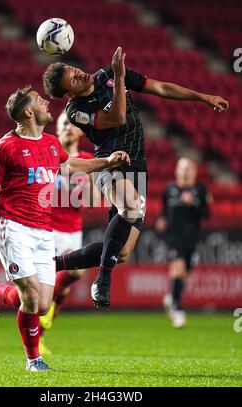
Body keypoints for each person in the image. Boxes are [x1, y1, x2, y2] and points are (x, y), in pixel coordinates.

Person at [42, 46, 229, 310]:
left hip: (138, 165)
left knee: (123, 253)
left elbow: (161, 88)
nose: (79, 74)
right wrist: (119, 78)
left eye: (75, 70)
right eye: (72, 79)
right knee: (129, 205)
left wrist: (203, 97)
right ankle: (102, 281)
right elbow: (117, 118)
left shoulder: (107, 74)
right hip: (110, 163)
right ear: (69, 93)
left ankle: (54, 263)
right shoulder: (76, 110)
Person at [0, 85, 130, 371]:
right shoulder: (3, 148)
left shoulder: (51, 144)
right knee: (30, 296)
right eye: (39, 101)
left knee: (40, 304)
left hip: (43, 230)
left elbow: (70, 167)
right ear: (29, 112)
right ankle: (34, 360)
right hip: (12, 226)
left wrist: (106, 161)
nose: (46, 103)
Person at [39, 110, 98, 354]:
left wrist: (84, 182)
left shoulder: (86, 159)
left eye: (73, 124)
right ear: (57, 128)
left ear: (81, 131)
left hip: (72, 229)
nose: (67, 127)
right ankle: (38, 337)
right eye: (64, 123)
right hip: (47, 226)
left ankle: (48, 310)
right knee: (68, 273)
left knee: (67, 279)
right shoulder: (47, 154)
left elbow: (93, 200)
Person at [155, 158, 212, 328]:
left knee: (183, 276)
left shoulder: (200, 190)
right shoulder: (169, 189)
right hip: (173, 237)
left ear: (194, 171)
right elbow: (165, 211)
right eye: (182, 168)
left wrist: (193, 203)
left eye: (188, 168)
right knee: (178, 268)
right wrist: (163, 219)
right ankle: (178, 310)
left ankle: (172, 298)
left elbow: (206, 214)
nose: (185, 171)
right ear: (176, 171)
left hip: (191, 238)